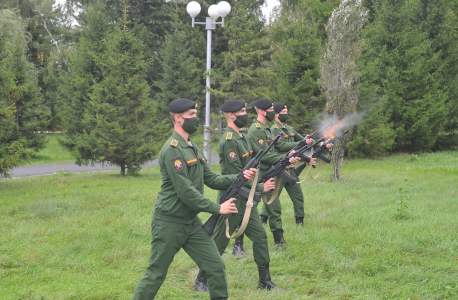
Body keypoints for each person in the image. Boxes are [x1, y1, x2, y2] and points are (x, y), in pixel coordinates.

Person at [131, 98, 258, 300]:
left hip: (190, 223)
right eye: (191, 115)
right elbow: (186, 192)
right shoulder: (172, 149)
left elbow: (211, 179)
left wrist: (240, 176)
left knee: (215, 267)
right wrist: (217, 208)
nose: (195, 118)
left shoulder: (192, 147)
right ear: (178, 119)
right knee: (156, 273)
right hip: (169, 222)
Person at [193, 99, 298, 292]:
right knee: (220, 241)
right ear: (231, 115)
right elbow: (238, 177)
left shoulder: (242, 137)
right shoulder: (229, 141)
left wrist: (284, 161)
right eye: (241, 111)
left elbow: (261, 156)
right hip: (233, 200)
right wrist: (261, 188)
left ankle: (264, 281)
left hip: (247, 202)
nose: (245, 114)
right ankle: (201, 279)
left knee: (259, 237)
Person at [245, 98, 306, 246]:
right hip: (262, 174)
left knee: (274, 207)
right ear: (261, 111)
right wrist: (285, 158)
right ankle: (239, 241)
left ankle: (279, 240)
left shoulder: (266, 129)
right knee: (248, 208)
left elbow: (274, 149)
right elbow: (263, 156)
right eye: (271, 110)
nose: (274, 113)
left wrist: (286, 159)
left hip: (272, 171)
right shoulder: (257, 130)